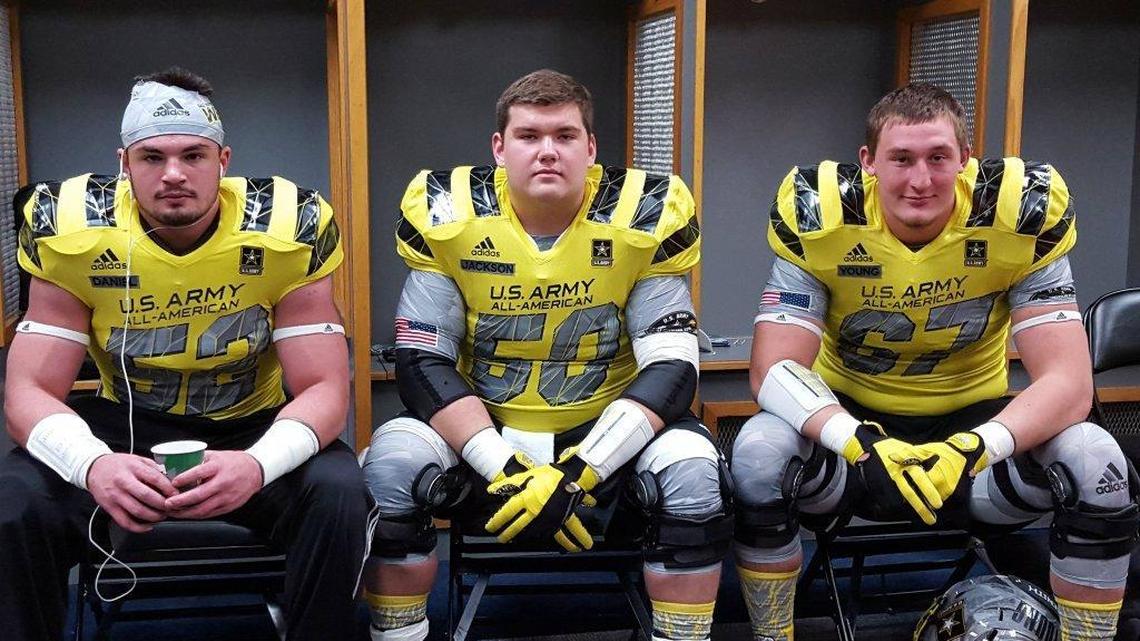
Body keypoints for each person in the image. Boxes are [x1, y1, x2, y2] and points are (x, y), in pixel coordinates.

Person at [731, 83, 1138, 641]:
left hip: (973, 438)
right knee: (758, 450)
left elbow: (1070, 383)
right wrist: (858, 442)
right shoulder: (821, 215)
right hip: (853, 435)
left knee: (1095, 456)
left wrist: (975, 446)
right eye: (901, 158)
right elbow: (773, 370)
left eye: (938, 157)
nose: (920, 180)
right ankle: (773, 636)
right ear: (869, 161)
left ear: (964, 158)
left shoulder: (1018, 214)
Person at [0, 67, 373, 641]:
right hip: (122, 429)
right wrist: (91, 464)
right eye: (152, 157)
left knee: (340, 492)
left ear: (223, 162)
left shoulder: (287, 226)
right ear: (125, 165)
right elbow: (27, 390)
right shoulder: (71, 228)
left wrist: (258, 464)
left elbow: (325, 386)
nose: (173, 173)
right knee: (14, 501)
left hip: (251, 424)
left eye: (193, 155)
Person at [361, 69, 731, 641]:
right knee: (390, 462)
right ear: (499, 148)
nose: (548, 151)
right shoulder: (450, 216)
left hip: (605, 438)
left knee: (694, 470)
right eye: (529, 136)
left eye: (564, 135)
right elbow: (421, 363)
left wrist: (580, 474)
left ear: (591, 148)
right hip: (486, 434)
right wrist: (506, 469)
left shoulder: (642, 217)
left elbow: (673, 367)